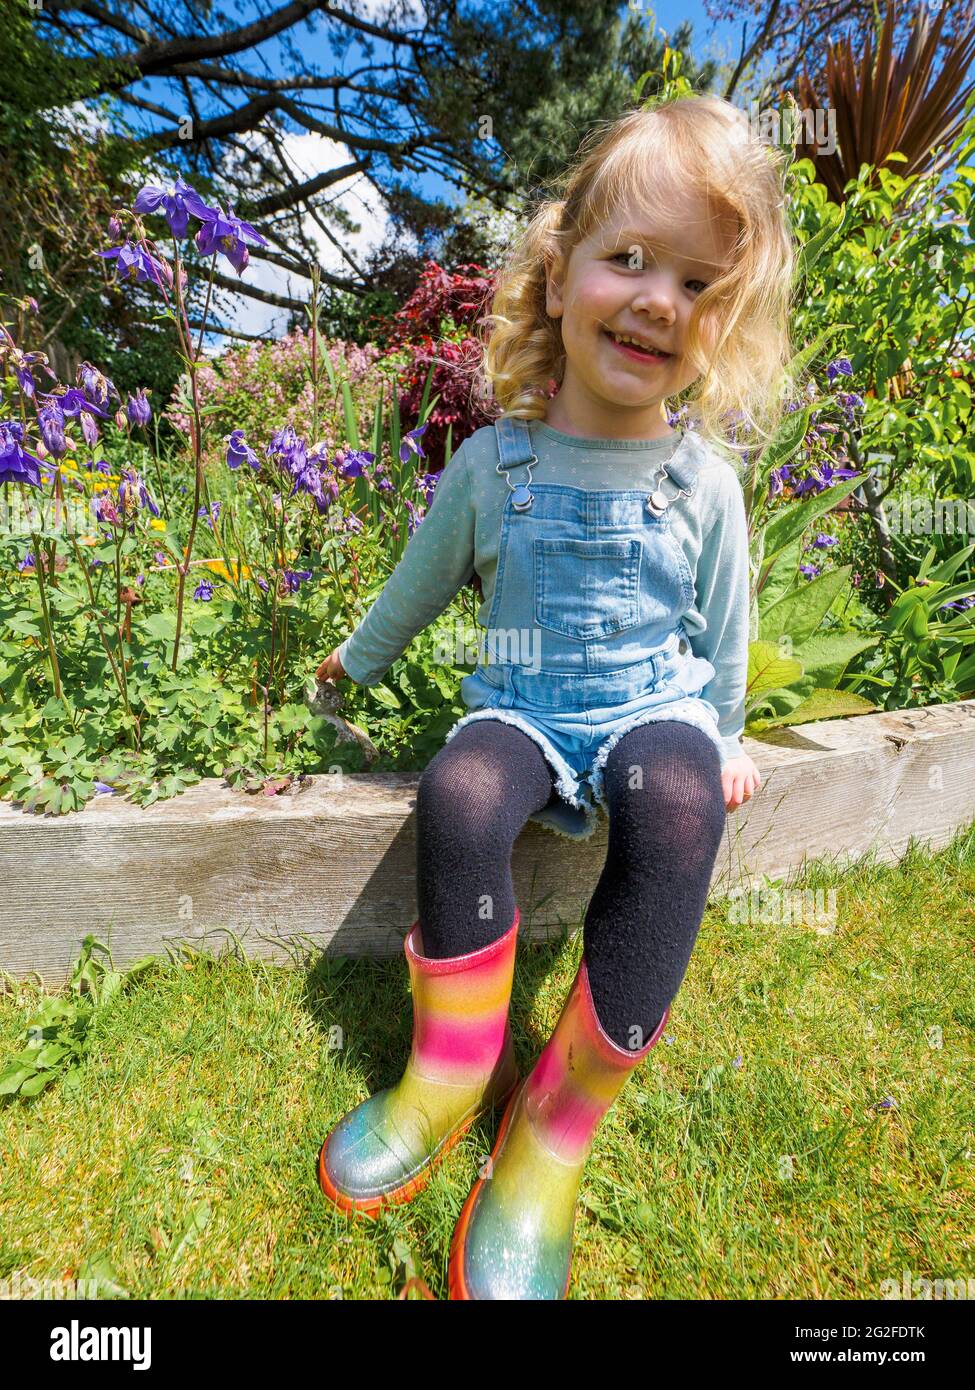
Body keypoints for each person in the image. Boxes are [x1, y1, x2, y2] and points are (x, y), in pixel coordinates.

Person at [316, 94, 795, 1299]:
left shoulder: (703, 485)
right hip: (523, 704)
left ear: (722, 325)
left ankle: (555, 1126)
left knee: (683, 804)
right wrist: (355, 664)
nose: (654, 300)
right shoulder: (493, 463)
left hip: (652, 707)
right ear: (557, 268)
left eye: (696, 283)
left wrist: (725, 732)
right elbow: (418, 586)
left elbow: (724, 628)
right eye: (627, 259)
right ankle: (449, 1070)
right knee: (465, 790)